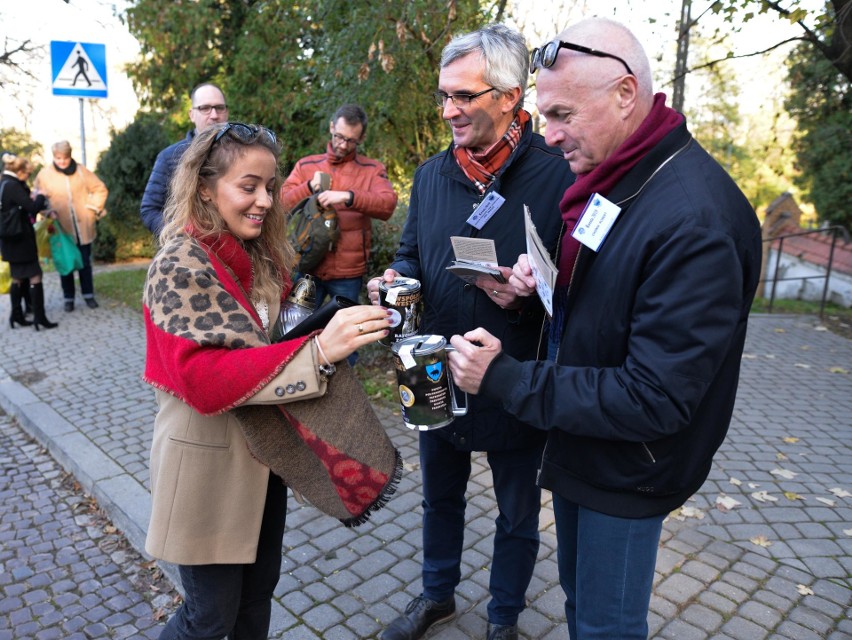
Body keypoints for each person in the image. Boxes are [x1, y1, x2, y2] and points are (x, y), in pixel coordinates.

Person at [446, 17, 763, 640]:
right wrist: (541, 293)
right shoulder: (623, 177)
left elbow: (654, 398)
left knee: (604, 627)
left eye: (562, 113)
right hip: (583, 444)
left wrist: (507, 378)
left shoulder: (693, 219)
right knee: (578, 609)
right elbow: (611, 299)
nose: (550, 134)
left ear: (624, 94)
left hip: (626, 469)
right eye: (544, 113)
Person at [143, 122, 393, 639]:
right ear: (206, 188)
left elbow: (269, 339)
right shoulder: (180, 263)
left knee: (256, 601)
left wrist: (325, 324)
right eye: (247, 186)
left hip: (264, 458)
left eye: (270, 186)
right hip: (208, 465)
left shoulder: (260, 256)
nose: (263, 200)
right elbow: (204, 379)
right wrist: (318, 350)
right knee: (207, 618)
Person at [368, 24, 574, 640]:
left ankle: (503, 618)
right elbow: (410, 253)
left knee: (516, 513)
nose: (449, 110)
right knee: (440, 499)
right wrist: (394, 280)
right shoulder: (431, 176)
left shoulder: (557, 173)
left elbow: (580, 286)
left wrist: (536, 292)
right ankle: (437, 597)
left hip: (516, 372)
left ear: (510, 95)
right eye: (443, 96)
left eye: (464, 96)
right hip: (433, 364)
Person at [281, 103, 398, 308]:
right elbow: (280, 205)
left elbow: (387, 205)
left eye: (351, 140)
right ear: (332, 127)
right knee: (297, 328)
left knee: (346, 335)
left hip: (347, 274)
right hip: (309, 267)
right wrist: (308, 187)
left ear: (361, 139)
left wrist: (348, 196)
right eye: (340, 137)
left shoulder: (372, 169)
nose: (343, 145)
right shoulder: (306, 165)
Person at [140, 82, 229, 235]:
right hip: (190, 252)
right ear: (191, 114)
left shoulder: (242, 154)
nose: (214, 115)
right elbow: (149, 210)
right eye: (205, 108)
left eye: (219, 108)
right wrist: (181, 235)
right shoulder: (170, 157)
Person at [33, 140, 108, 312]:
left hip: (83, 227)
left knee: (85, 262)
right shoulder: (44, 174)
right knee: (65, 263)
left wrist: (93, 207)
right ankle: (69, 298)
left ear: (70, 156)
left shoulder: (81, 171)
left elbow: (100, 189)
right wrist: (47, 212)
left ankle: (88, 295)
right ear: (54, 157)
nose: (62, 162)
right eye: (58, 158)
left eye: (65, 158)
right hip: (60, 228)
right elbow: (37, 197)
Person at [0, 153, 57, 330]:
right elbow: (32, 208)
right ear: (20, 172)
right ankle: (39, 318)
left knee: (17, 277)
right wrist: (41, 195)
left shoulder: (3, 183)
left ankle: (16, 315)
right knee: (35, 275)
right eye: (27, 174)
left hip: (9, 240)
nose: (28, 177)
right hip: (21, 239)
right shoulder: (13, 186)